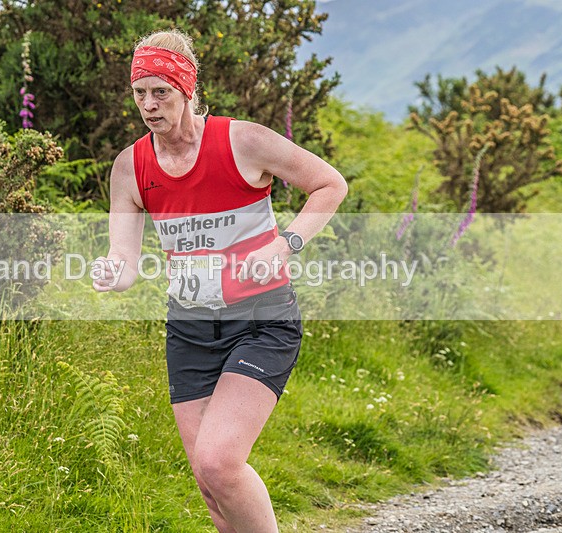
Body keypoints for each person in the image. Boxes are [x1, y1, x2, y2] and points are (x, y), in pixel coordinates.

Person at [92, 29, 347, 533]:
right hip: (189, 331)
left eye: (160, 91)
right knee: (212, 491)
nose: (148, 104)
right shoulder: (131, 166)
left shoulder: (243, 141)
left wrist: (284, 243)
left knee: (218, 462)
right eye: (139, 92)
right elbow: (125, 263)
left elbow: (329, 184)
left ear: (186, 90)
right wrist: (110, 272)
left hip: (261, 321)